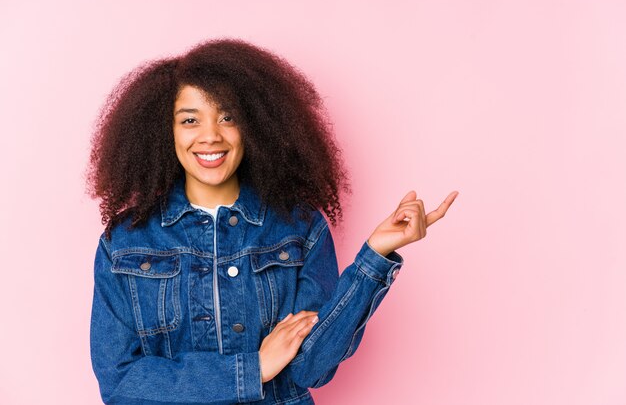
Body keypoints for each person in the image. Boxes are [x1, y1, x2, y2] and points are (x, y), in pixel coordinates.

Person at [87, 38, 458, 405]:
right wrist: (254, 368)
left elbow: (311, 369)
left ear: (256, 126)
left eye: (228, 117)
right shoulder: (125, 242)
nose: (211, 135)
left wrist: (376, 255)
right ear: (162, 132)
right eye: (190, 120)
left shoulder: (298, 227)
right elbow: (120, 383)